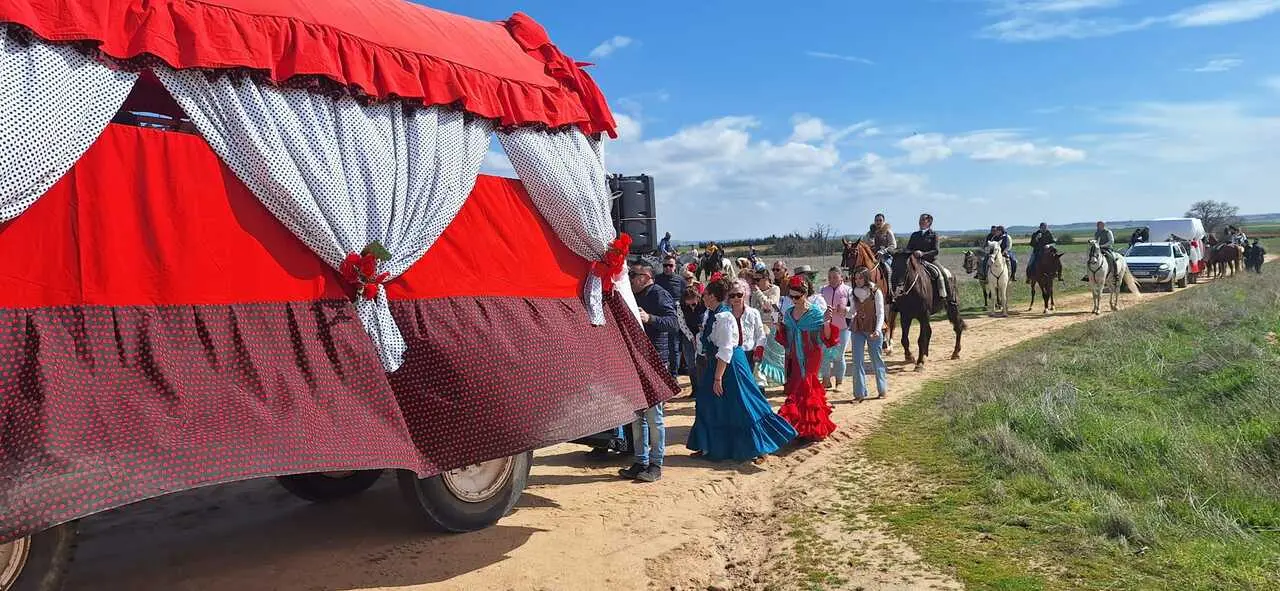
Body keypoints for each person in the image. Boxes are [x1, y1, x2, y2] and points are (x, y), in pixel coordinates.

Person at [686, 276, 798, 463]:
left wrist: (717, 378)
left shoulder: (724, 317)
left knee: (745, 404)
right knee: (710, 403)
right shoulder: (713, 314)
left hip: (731, 366)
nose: (703, 298)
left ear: (713, 297)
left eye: (705, 295)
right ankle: (711, 446)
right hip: (719, 364)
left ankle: (762, 448)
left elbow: (726, 349)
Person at [619, 261, 679, 482]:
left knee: (654, 417)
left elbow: (673, 323)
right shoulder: (633, 295)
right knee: (637, 417)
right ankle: (640, 461)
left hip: (655, 362)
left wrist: (650, 318)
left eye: (633, 275)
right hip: (637, 361)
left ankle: (656, 464)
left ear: (645, 276)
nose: (631, 279)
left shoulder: (659, 294)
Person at [776, 274, 839, 441]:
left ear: (805, 294)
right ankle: (800, 427)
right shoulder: (788, 314)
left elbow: (826, 338)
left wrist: (826, 322)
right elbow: (785, 338)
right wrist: (778, 326)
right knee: (798, 387)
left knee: (808, 386)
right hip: (796, 356)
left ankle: (814, 428)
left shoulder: (815, 313)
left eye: (797, 296)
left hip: (812, 355)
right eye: (791, 296)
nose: (794, 300)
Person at [848, 267, 888, 401]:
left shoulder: (876, 291)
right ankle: (859, 393)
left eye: (860, 277)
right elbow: (852, 312)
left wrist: (877, 330)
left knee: (876, 359)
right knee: (857, 360)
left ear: (866, 277)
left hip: (873, 327)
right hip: (858, 327)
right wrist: (843, 311)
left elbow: (880, 312)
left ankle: (882, 389)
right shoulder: (853, 292)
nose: (857, 280)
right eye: (856, 278)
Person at [819, 267, 852, 391]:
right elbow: (818, 307)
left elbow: (853, 310)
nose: (831, 280)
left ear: (841, 277)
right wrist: (824, 312)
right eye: (829, 277)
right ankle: (826, 380)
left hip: (842, 328)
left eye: (834, 277)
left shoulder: (848, 291)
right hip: (826, 327)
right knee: (825, 354)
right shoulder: (822, 290)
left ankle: (839, 382)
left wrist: (844, 310)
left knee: (839, 355)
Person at [904, 213, 951, 301]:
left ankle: (949, 298)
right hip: (915, 261)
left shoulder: (934, 235)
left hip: (930, 261)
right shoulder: (914, 235)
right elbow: (908, 249)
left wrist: (923, 254)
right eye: (920, 220)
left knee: (942, 274)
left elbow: (936, 251)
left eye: (922, 220)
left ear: (929, 222)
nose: (920, 222)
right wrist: (913, 252)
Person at [728, 279, 767, 377]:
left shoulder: (754, 313)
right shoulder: (725, 315)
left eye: (739, 295)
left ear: (745, 294)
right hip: (731, 356)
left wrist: (759, 349)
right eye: (732, 296)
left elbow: (760, 334)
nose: (736, 298)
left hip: (749, 355)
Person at [655, 256, 688, 373]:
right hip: (659, 317)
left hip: (675, 318)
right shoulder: (656, 279)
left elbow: (686, 298)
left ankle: (674, 374)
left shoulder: (680, 281)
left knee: (674, 347)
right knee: (660, 346)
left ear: (675, 267)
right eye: (665, 265)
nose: (668, 268)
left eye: (670, 265)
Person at [865, 213, 896, 284]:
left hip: (885, 257)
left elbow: (893, 245)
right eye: (876, 220)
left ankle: (892, 287)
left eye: (880, 220)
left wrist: (884, 251)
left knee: (890, 270)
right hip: (871, 257)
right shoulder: (869, 234)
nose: (878, 222)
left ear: (883, 221)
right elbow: (865, 245)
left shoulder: (888, 232)